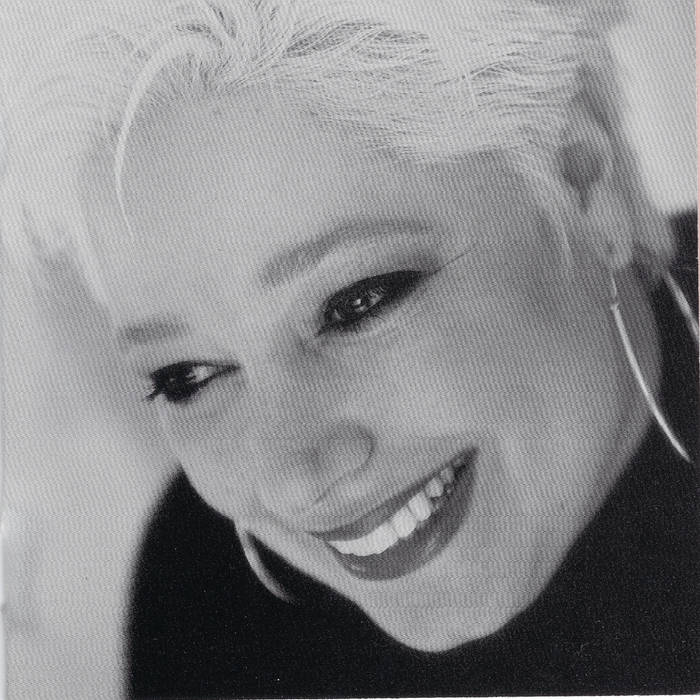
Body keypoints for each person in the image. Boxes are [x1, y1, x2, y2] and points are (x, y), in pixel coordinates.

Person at [1, 0, 697, 696]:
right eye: (187, 376)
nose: (296, 479)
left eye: (356, 304)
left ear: (581, 179)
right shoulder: (202, 600)